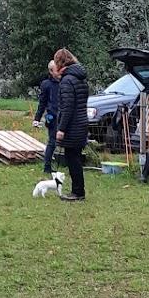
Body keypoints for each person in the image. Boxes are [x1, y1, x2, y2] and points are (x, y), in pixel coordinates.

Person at [52, 46, 90, 201]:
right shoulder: (80, 78)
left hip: (72, 125)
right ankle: (78, 190)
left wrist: (61, 128)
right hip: (82, 122)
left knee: (72, 159)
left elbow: (67, 107)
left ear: (60, 62)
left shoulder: (67, 80)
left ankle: (78, 192)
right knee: (75, 157)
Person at [34, 59, 64, 174]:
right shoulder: (46, 84)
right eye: (57, 70)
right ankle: (47, 166)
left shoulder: (65, 82)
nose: (60, 71)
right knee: (52, 141)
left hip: (64, 115)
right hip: (52, 116)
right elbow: (42, 103)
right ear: (51, 71)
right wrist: (37, 118)